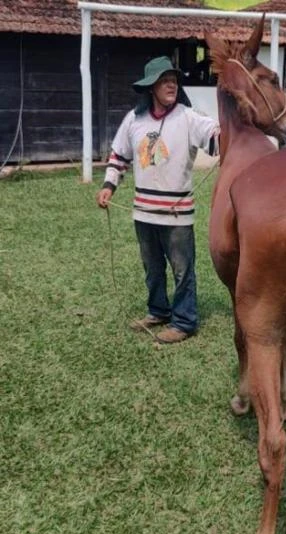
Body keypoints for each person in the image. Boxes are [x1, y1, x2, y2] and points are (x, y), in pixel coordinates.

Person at [96, 56, 220, 344]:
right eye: (165, 80)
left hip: (177, 215)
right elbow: (119, 157)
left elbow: (215, 137)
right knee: (152, 269)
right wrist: (108, 186)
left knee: (182, 270)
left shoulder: (189, 117)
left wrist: (231, 132)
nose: (171, 84)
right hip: (143, 213)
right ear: (151, 86)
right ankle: (158, 311)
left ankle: (185, 322)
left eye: (174, 80)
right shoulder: (134, 120)